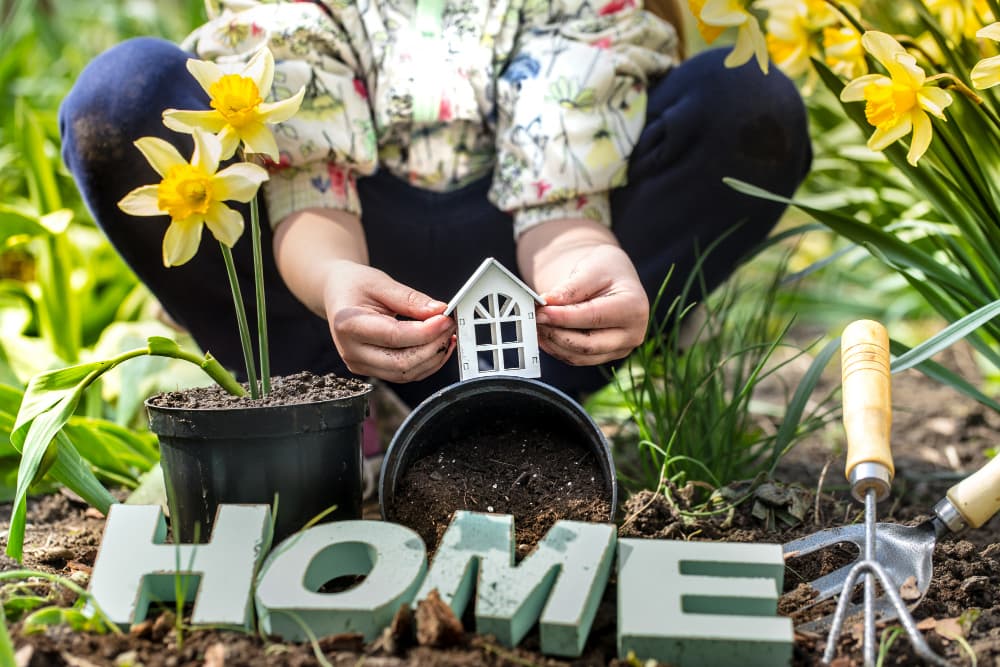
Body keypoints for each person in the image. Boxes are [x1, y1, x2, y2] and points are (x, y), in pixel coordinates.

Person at [58, 0, 811, 412]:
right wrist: (335, 287)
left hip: (523, 270)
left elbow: (563, 166)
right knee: (124, 95)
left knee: (747, 101)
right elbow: (305, 178)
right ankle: (325, 401)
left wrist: (589, 262)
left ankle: (533, 394)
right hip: (331, 263)